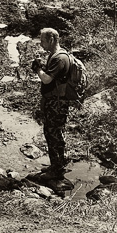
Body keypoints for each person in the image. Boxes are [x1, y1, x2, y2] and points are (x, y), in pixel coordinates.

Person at [31, 27, 71, 181]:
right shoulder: (55, 56)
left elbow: (47, 79)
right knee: (52, 134)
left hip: (57, 104)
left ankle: (57, 170)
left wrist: (38, 70)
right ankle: (56, 165)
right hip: (53, 101)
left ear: (52, 40)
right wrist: (43, 67)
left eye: (43, 41)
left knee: (54, 135)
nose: (41, 44)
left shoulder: (59, 58)